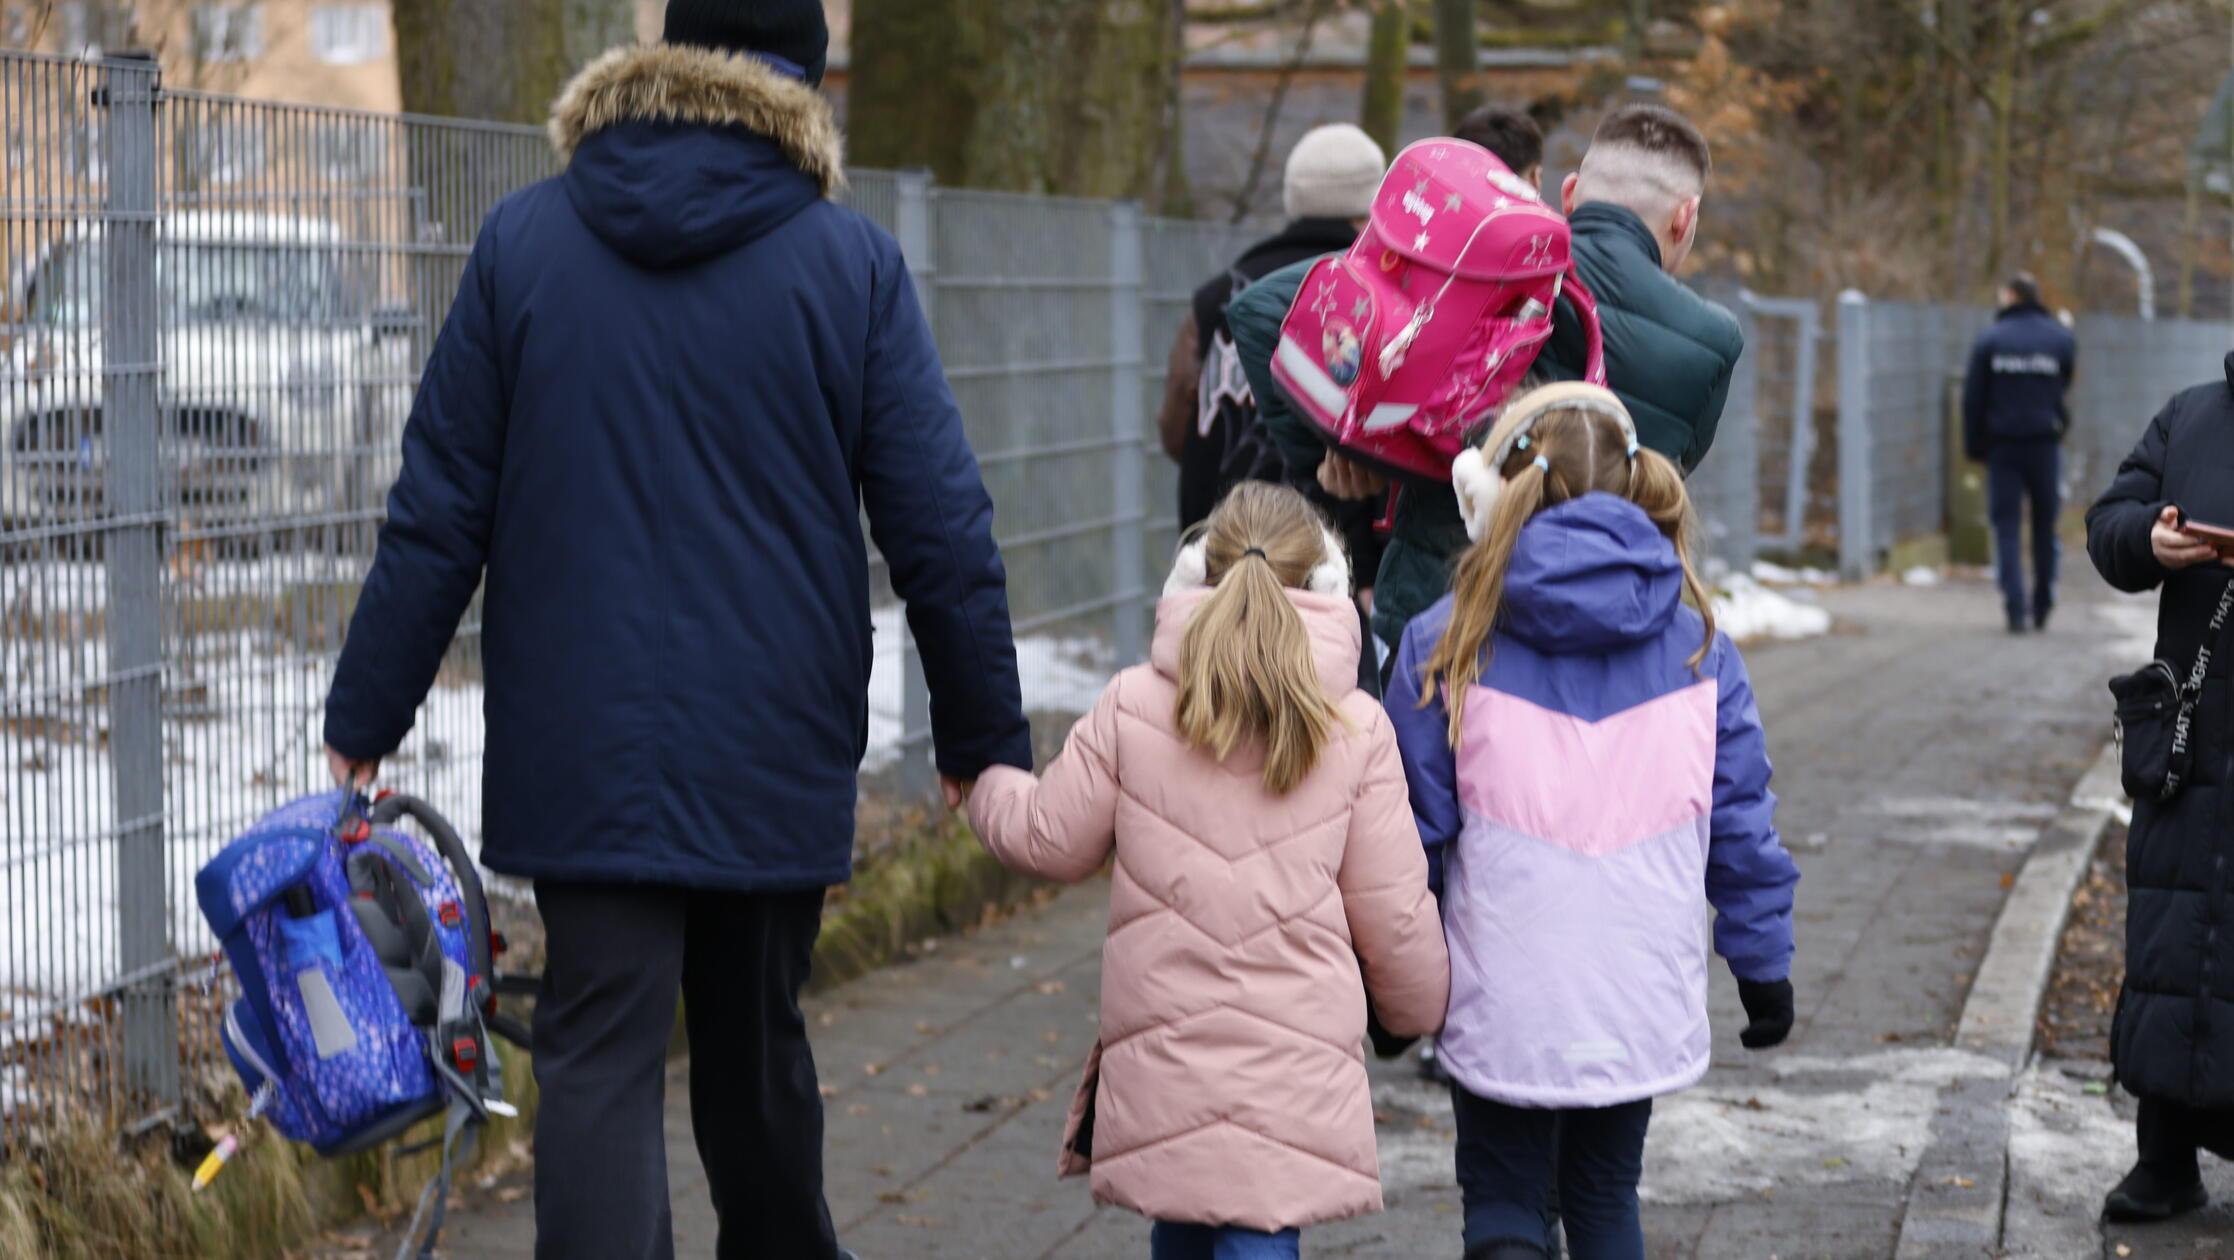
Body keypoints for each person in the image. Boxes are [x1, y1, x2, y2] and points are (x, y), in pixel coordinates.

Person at [320, 5, 1032, 1258]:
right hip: (772, 734)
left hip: (581, 740)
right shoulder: (847, 265)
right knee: (754, 1046)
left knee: (597, 1055)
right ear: (800, 87)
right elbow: (941, 526)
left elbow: (438, 509)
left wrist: (366, 712)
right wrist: (981, 729)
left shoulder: (522, 246)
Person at [965, 481, 1451, 1260]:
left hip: (1166, 1056)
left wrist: (982, 785)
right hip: (1292, 1072)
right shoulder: (1356, 728)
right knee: (1260, 1235)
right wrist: (1419, 1007)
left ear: (1195, 574)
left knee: (1182, 1221)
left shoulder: (1135, 704)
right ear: (1325, 585)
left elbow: (1047, 835)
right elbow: (1393, 911)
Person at [1385, 385, 1799, 1260]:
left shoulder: (1443, 644)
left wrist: (1392, 993)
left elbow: (1408, 840)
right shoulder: (1699, 647)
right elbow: (1741, 820)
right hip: (1636, 988)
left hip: (1502, 986)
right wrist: (1761, 961)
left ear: (1490, 495)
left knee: (1501, 1198)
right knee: (1605, 1193)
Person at [1235, 103, 1743, 666]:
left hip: (1439, 630)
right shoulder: (1710, 342)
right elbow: (1660, 481)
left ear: (1569, 193)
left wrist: (1343, 451)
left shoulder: (1482, 268)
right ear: (1685, 217)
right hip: (1598, 646)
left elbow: (1261, 314)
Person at [2085, 354, 2234, 1224]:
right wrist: (2151, 539)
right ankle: (2164, 1159)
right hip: (2190, 739)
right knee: (2175, 937)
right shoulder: (2191, 414)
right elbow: (2110, 524)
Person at [1156, 123, 1388, 661]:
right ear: (1371, 202)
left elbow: (1176, 432)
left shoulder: (1221, 296)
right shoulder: (1371, 295)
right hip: (1329, 574)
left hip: (1217, 563)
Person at [1964, 272, 2077, 633]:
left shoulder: (1990, 340)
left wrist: (1975, 447)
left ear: (2010, 296)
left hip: (2003, 448)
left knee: (2007, 527)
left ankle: (2015, 606)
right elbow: (2063, 386)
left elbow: (1972, 400)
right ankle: (2042, 601)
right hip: (2045, 445)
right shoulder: (2060, 339)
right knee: (2045, 525)